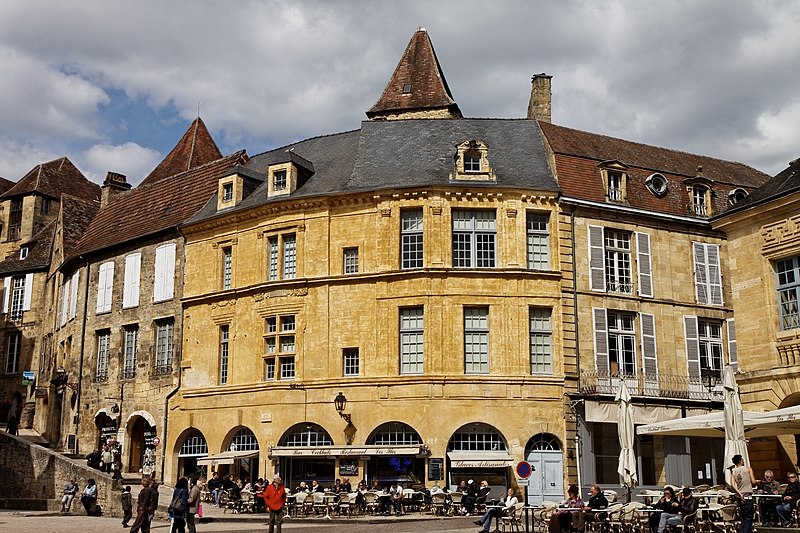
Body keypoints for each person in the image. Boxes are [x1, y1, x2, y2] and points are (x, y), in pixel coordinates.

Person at [730, 454, 757, 533]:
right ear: (740, 461)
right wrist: (758, 482)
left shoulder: (733, 471)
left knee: (743, 517)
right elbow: (753, 482)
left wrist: (739, 493)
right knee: (749, 518)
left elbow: (732, 484)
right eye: (742, 460)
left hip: (740, 496)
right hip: (748, 496)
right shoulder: (748, 469)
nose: (743, 461)